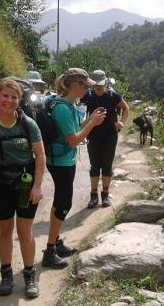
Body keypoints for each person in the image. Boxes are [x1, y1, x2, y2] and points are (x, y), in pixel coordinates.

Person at [0, 79, 45, 298]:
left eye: (14, 97)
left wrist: (37, 186)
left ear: (19, 100)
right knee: (4, 230)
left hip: (25, 186)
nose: (9, 101)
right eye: (5, 96)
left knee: (25, 231)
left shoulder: (28, 124)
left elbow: (41, 155)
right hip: (1, 185)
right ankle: (6, 274)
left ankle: (29, 274)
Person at [42, 68, 106, 269]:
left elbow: (77, 128)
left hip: (64, 161)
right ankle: (50, 250)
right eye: (85, 85)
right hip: (60, 162)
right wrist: (93, 124)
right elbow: (74, 140)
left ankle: (56, 242)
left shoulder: (68, 105)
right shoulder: (62, 108)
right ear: (75, 85)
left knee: (61, 201)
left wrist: (90, 119)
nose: (88, 89)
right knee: (63, 204)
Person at [80, 69, 129, 208]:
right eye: (95, 85)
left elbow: (125, 108)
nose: (98, 88)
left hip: (110, 135)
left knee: (107, 166)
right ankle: (93, 196)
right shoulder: (87, 96)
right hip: (93, 135)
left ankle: (105, 195)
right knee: (95, 166)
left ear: (105, 83)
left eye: (100, 85)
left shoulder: (113, 95)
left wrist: (121, 122)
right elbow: (80, 112)